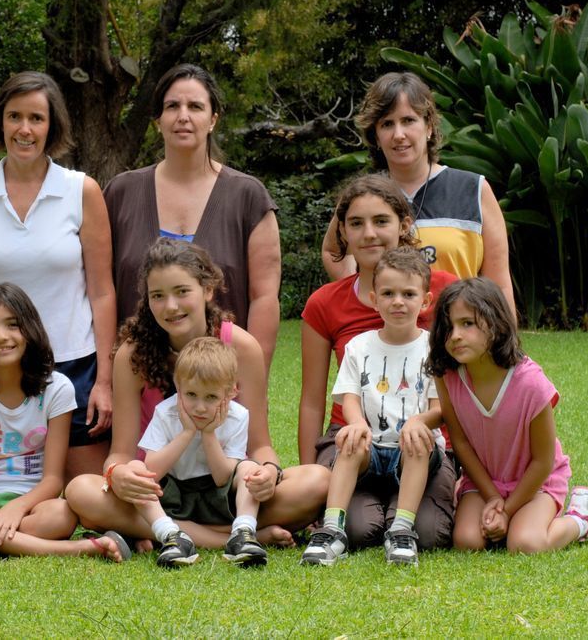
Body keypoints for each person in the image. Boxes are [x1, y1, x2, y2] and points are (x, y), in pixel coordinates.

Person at [65, 239, 328, 549]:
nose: (171, 306)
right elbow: (121, 453)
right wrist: (117, 474)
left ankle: (163, 532)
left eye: (182, 292)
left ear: (207, 290)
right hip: (159, 491)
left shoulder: (242, 348)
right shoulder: (132, 355)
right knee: (80, 490)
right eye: (158, 296)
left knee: (318, 481)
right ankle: (239, 536)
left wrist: (270, 473)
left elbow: (260, 446)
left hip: (226, 488)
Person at [0, 72, 115, 482]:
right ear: (0, 122)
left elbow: (102, 292)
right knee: (6, 492)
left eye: (36, 118)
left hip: (73, 365)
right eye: (14, 116)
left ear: (52, 126)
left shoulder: (82, 191)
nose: (24, 129)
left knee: (88, 496)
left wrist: (104, 381)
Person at [299, 175, 457, 552]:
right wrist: (311, 483)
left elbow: (468, 384)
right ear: (343, 232)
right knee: (359, 531)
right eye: (356, 223)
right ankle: (351, 515)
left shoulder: (445, 291)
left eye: (381, 221)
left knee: (430, 534)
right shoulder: (325, 303)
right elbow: (312, 401)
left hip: (422, 441)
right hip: (355, 440)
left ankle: (401, 519)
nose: (369, 233)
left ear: (403, 225)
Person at [0, 284, 128, 562]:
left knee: (62, 516)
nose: (0, 337)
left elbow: (53, 479)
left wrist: (17, 508)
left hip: (31, 506)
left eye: (12, 325)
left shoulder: (57, 387)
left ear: (30, 329)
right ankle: (74, 549)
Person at [104, 63, 281, 369]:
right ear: (158, 120)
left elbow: (263, 297)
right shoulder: (120, 194)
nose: (183, 116)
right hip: (136, 377)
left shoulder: (248, 197)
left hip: (219, 380)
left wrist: (251, 377)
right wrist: (107, 376)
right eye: (172, 106)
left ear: (213, 119)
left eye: (195, 106)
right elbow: (100, 292)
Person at [428, 277, 588, 553]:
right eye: (448, 327)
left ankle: (582, 518)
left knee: (525, 544)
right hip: (483, 482)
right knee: (467, 541)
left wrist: (507, 510)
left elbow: (543, 461)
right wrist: (493, 498)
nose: (455, 335)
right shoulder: (448, 377)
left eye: (467, 323)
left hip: (536, 483)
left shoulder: (531, 383)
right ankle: (501, 515)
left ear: (495, 323)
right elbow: (461, 443)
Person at [320, 71, 515, 316]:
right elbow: (333, 251)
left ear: (429, 127)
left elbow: (499, 286)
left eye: (408, 120)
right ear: (376, 136)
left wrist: (505, 337)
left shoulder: (473, 189)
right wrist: (361, 299)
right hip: (386, 334)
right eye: (387, 124)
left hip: (456, 332)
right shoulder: (363, 196)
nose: (398, 134)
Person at [133, 337, 266, 568]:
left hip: (215, 498)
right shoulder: (165, 413)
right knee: (136, 470)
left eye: (211, 397)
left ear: (231, 392)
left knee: (250, 467)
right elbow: (152, 470)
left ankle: (243, 532)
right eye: (191, 395)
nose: (200, 407)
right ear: (178, 386)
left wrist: (208, 433)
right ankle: (170, 536)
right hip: (172, 496)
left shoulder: (238, 416)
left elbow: (222, 477)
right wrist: (187, 432)